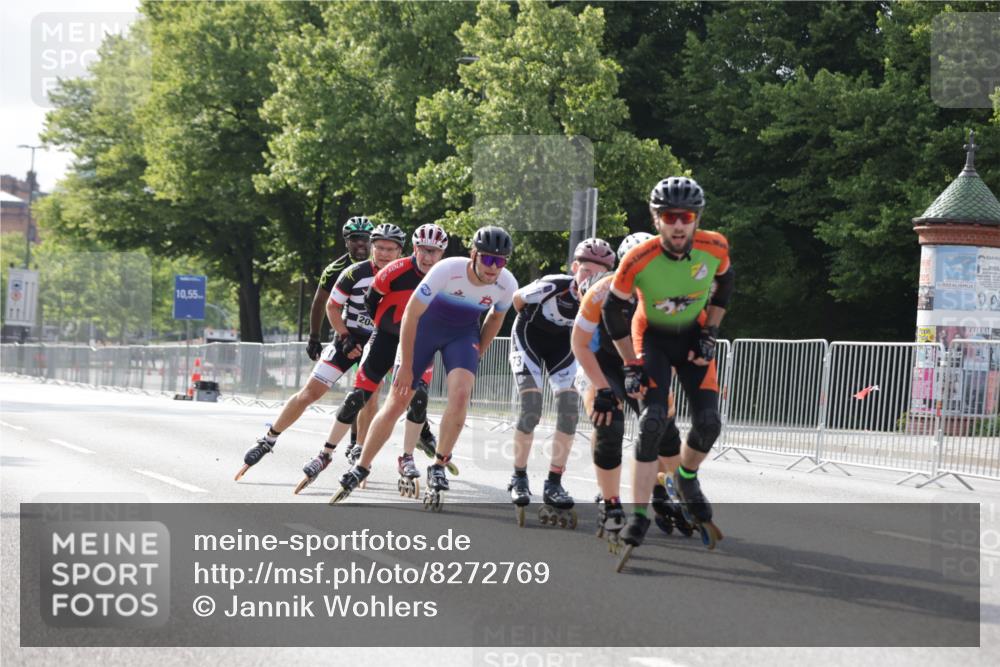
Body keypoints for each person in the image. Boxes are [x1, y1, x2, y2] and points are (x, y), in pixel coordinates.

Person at [331, 225, 518, 507]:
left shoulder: (506, 283)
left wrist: (479, 351)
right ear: (474, 255)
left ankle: (439, 465)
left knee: (461, 394)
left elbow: (495, 318)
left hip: (462, 334)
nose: (494, 267)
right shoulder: (447, 270)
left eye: (500, 261)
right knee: (397, 401)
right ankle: (362, 466)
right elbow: (410, 314)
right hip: (424, 330)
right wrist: (405, 364)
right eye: (488, 259)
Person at [602, 176, 734, 560]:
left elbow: (726, 285)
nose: (679, 223)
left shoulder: (716, 247)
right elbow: (613, 311)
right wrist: (630, 364)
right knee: (653, 421)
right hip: (652, 339)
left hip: (692, 336)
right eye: (669, 216)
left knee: (710, 423)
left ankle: (687, 479)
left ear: (697, 219)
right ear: (656, 218)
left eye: (687, 216)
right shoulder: (638, 258)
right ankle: (640, 513)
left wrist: (710, 332)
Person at [235, 223, 405, 480]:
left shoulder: (404, 276)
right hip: (348, 337)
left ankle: (358, 449)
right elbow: (331, 307)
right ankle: (268, 439)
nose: (383, 254)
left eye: (389, 249)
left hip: (379, 340)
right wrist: (344, 336)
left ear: (399, 252)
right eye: (379, 247)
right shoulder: (353, 272)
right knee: (310, 392)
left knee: (370, 396)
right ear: (372, 247)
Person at [294, 224, 449, 493]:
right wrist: (383, 326)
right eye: (423, 250)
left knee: (418, 397)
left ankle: (407, 458)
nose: (427, 257)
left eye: (433, 252)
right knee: (357, 398)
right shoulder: (396, 269)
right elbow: (370, 300)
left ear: (442, 253)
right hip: (386, 338)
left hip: (418, 343)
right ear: (414, 248)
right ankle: (326, 453)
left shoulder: (447, 277)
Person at [571, 233, 691, 545]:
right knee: (609, 420)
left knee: (662, 424)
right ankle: (609, 502)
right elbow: (580, 345)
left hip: (642, 362)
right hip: (600, 361)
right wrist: (602, 389)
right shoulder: (599, 293)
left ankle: (662, 488)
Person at [506, 238, 616, 527]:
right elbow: (517, 300)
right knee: (531, 408)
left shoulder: (604, 299)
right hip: (529, 338)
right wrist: (531, 319)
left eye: (599, 275)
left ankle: (553, 482)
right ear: (574, 267)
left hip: (563, 349)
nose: (590, 279)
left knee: (569, 411)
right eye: (585, 272)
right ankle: (518, 476)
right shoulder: (553, 284)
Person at [305, 217, 374, 452]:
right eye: (355, 239)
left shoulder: (385, 265)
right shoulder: (335, 269)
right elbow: (320, 303)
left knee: (365, 391)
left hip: (376, 337)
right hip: (349, 334)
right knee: (358, 389)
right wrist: (314, 336)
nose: (361, 244)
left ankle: (356, 442)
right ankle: (354, 441)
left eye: (365, 239)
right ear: (347, 242)